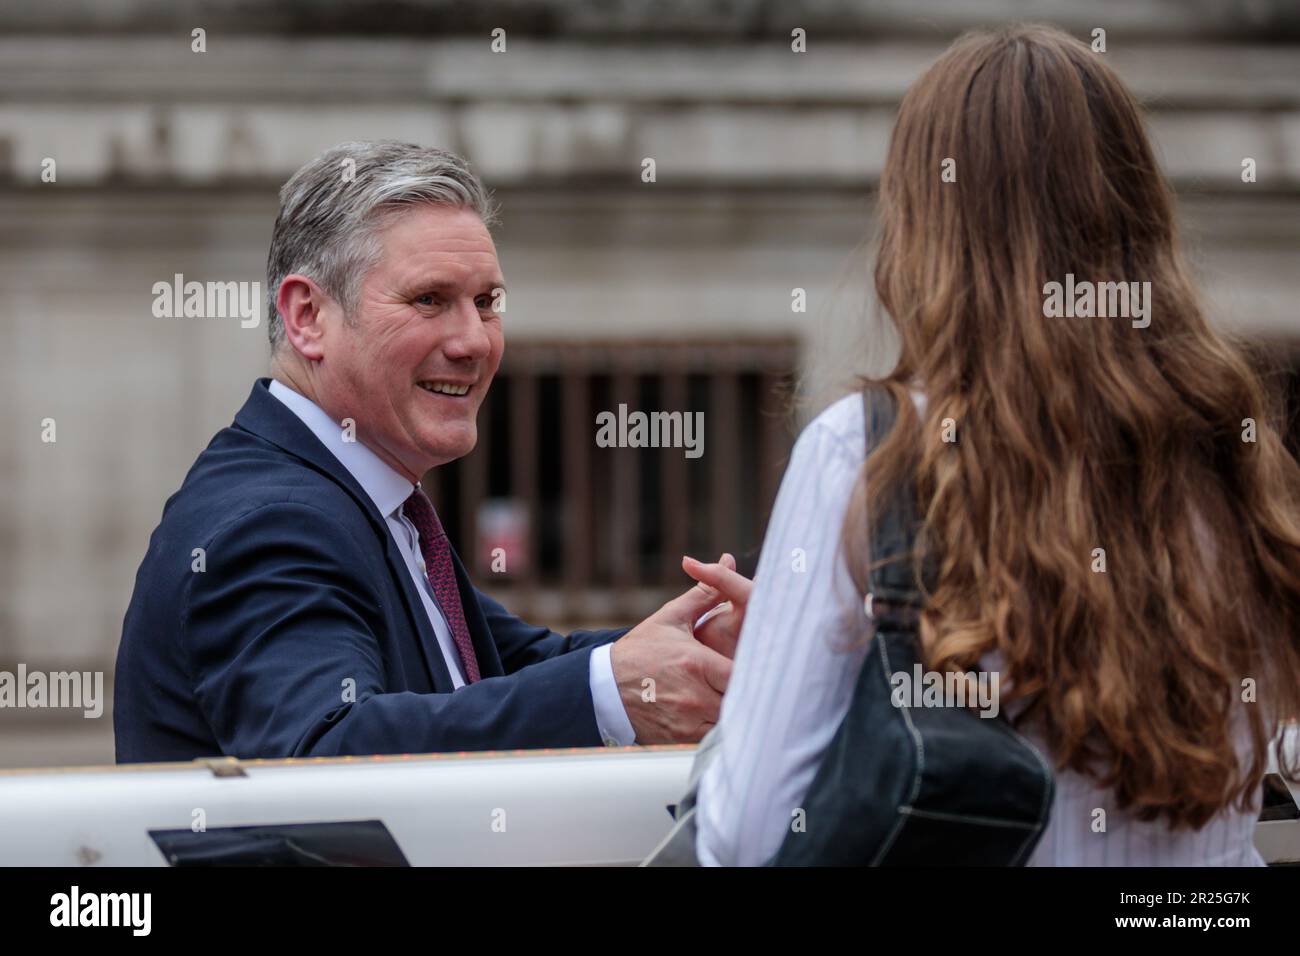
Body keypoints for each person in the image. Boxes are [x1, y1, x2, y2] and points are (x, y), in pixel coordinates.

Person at [689, 24, 1300, 865]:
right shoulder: (1227, 453)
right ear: (1138, 211)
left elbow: (748, 831)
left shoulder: (867, 452)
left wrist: (776, 681)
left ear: (922, 221)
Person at [114, 141, 745, 762]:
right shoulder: (273, 520)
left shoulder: (362, 497)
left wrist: (698, 645)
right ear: (308, 316)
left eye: (486, 303)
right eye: (429, 300)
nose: (474, 341)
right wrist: (611, 691)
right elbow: (323, 753)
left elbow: (505, 668)